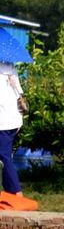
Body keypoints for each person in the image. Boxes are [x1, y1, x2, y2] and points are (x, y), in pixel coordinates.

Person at [0, 61, 24, 197]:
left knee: (3, 155)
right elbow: (19, 93)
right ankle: (9, 190)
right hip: (14, 120)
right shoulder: (10, 67)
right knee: (6, 154)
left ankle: (16, 191)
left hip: (3, 121)